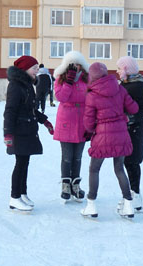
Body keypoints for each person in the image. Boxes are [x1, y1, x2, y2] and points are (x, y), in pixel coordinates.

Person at [80, 62, 139, 218]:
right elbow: (134, 109)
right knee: (119, 169)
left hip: (102, 136)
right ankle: (128, 205)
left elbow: (88, 123)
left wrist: (92, 131)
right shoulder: (119, 89)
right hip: (121, 134)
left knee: (94, 169)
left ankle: (91, 205)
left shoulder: (92, 95)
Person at [3, 55, 54, 212]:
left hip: (28, 130)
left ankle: (22, 193)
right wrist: (8, 134)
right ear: (25, 69)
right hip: (19, 132)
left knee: (25, 163)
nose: (37, 71)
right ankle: (14, 197)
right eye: (34, 68)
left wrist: (45, 121)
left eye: (37, 68)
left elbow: (31, 109)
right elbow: (10, 111)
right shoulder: (15, 86)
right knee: (20, 164)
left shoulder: (27, 85)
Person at [53, 51, 89, 202]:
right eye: (73, 64)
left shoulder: (87, 80)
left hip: (82, 120)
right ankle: (66, 185)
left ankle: (76, 185)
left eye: (78, 64)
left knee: (78, 157)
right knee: (67, 157)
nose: (76, 67)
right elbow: (61, 97)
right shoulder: (60, 80)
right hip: (66, 119)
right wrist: (69, 81)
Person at [116, 56, 143, 211]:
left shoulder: (136, 86)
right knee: (126, 162)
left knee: (132, 162)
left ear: (126, 70)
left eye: (119, 68)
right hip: (126, 128)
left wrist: (129, 119)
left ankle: (135, 195)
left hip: (134, 129)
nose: (116, 71)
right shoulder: (126, 84)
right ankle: (131, 193)